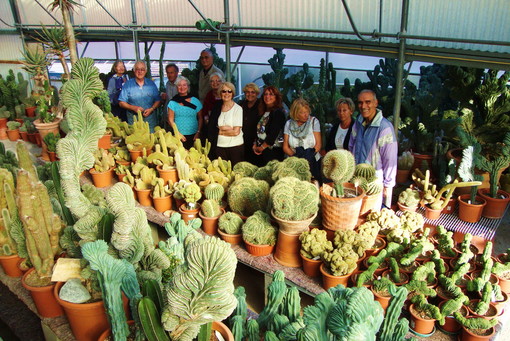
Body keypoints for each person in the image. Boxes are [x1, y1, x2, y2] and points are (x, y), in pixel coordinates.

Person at [349, 89, 398, 207]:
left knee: (370, 213)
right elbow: (351, 146)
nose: (363, 106)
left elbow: (390, 159)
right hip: (357, 178)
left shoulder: (385, 127)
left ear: (376, 103)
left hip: (374, 182)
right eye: (360, 102)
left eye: (368, 102)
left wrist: (388, 185)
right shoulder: (358, 122)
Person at [283, 98, 321, 180]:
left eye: (307, 111)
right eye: (302, 112)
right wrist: (297, 159)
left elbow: (318, 145)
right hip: (293, 161)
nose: (306, 115)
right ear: (295, 113)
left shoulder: (314, 122)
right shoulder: (288, 124)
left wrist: (308, 157)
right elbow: (285, 147)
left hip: (312, 161)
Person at [118, 61, 161, 132]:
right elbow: (121, 102)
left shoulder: (151, 84)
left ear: (146, 71)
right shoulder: (128, 85)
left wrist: (151, 109)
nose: (140, 71)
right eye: (137, 69)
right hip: (134, 122)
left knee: (151, 141)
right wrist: (133, 107)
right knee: (135, 142)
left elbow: (158, 100)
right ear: (134, 71)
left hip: (150, 122)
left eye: (142, 69)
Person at [208, 82, 244, 166]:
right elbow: (211, 127)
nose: (226, 93)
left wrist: (219, 131)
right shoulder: (217, 107)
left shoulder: (238, 109)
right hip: (219, 146)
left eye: (229, 91)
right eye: (224, 91)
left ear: (233, 93)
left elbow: (236, 132)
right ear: (220, 93)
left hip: (235, 147)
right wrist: (227, 129)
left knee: (236, 174)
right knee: (222, 174)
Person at [253, 86, 286, 166]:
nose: (267, 96)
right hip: (261, 151)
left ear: (276, 97)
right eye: (265, 94)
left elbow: (273, 134)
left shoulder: (278, 113)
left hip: (273, 151)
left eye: (271, 94)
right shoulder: (263, 112)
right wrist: (255, 144)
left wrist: (262, 147)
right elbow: (258, 130)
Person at [167, 76, 203, 150]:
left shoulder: (195, 101)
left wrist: (198, 132)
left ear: (188, 86)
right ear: (176, 87)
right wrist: (178, 134)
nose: (182, 87)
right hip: (178, 136)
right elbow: (170, 120)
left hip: (194, 135)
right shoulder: (173, 102)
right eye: (179, 85)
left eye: (184, 85)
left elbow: (200, 118)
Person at [239, 83, 261, 164]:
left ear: (257, 94)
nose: (250, 94)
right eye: (247, 92)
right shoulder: (241, 104)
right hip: (243, 139)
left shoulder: (261, 104)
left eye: (253, 92)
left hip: (256, 140)